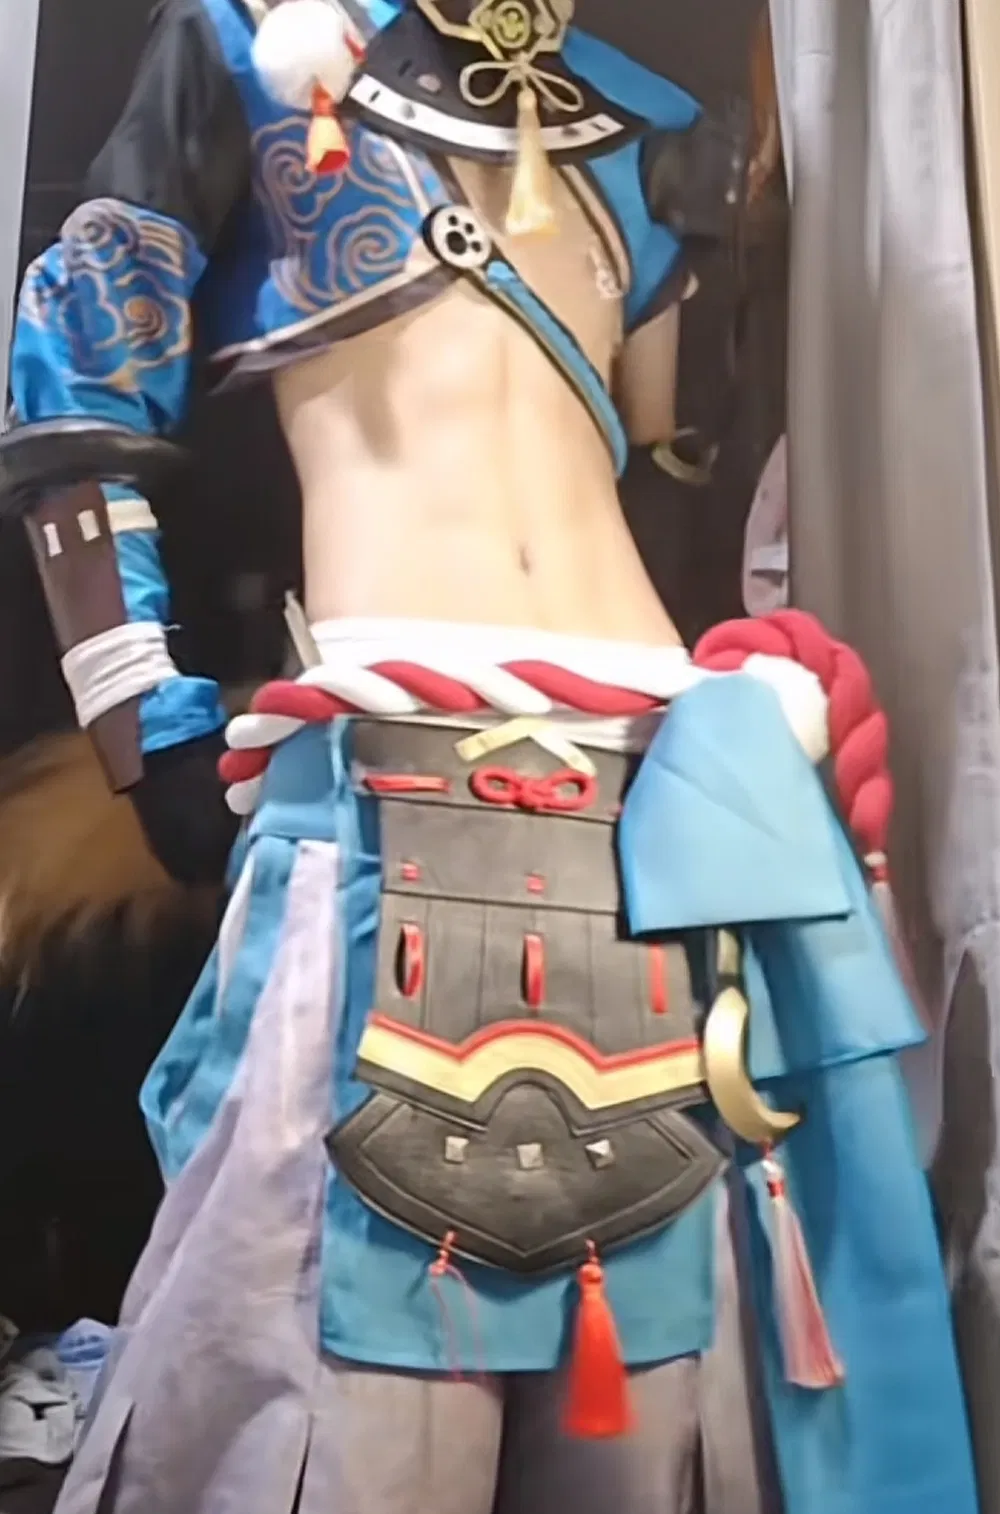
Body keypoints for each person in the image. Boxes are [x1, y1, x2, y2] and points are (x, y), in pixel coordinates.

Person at [0, 2, 978, 1512]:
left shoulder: (652, 132)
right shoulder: (246, 46)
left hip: (663, 796)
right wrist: (149, 727)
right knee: (338, 1422)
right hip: (384, 784)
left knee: (656, 1429)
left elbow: (675, 458)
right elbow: (75, 391)